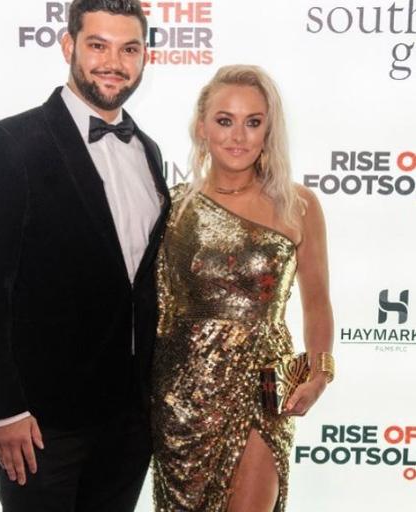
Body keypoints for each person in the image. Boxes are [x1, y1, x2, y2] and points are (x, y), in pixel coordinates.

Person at [0, 1, 170, 511]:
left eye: (129, 49)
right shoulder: (10, 143)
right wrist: (3, 409)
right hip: (40, 425)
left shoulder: (149, 151)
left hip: (129, 421)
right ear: (69, 46)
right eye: (98, 45)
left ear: (144, 56)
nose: (113, 62)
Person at [151, 65, 334, 512]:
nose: (238, 136)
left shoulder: (298, 204)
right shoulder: (172, 206)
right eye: (224, 120)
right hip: (181, 391)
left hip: (262, 383)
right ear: (202, 127)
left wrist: (319, 373)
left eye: (253, 122)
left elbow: (316, 302)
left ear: (268, 131)